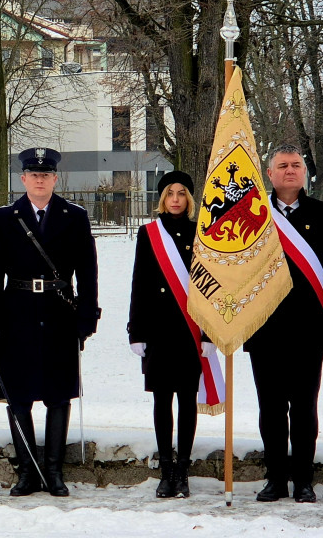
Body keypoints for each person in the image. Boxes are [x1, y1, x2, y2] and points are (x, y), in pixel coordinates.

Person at [0, 147, 99, 497]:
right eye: (34, 175)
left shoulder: (74, 216)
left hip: (60, 313)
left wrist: (86, 318)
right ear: (23, 179)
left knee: (59, 395)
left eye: (46, 175)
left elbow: (87, 272)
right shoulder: (5, 217)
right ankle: (27, 471)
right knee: (18, 396)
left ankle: (54, 472)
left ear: (55, 179)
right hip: (16, 313)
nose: (40, 179)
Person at [245, 144, 323, 503]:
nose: (290, 171)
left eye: (296, 165)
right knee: (271, 409)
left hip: (309, 330)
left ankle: (303, 480)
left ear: (304, 173)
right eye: (282, 165)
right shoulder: (253, 215)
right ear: (270, 174)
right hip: (265, 330)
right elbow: (237, 271)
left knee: (305, 408)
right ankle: (276, 478)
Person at [128, 171, 211, 498]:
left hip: (190, 329)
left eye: (181, 193)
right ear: (162, 198)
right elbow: (139, 284)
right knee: (162, 400)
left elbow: (209, 287)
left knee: (187, 400)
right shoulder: (149, 233)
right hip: (159, 329)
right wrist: (136, 330)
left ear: (189, 199)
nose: (175, 198)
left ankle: (183, 470)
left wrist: (208, 333)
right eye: (170, 193)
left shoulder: (202, 233)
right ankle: (165, 470)